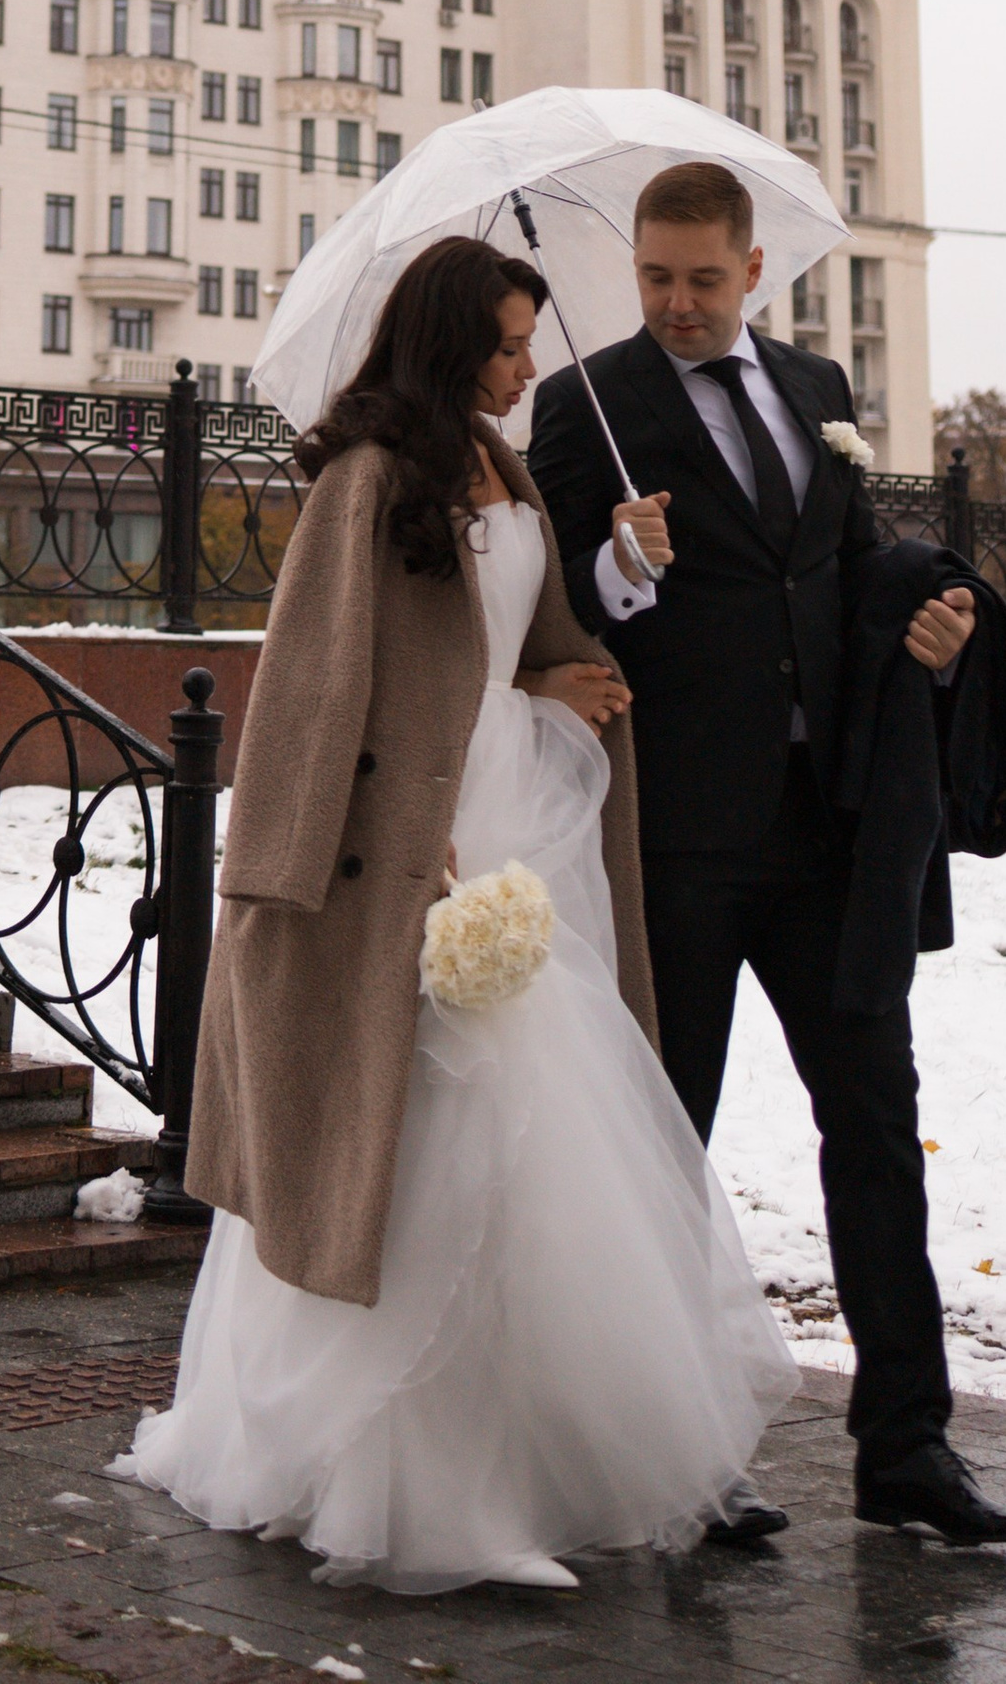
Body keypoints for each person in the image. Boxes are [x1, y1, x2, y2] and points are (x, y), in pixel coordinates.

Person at [117, 234, 798, 1593]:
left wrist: (590, 630)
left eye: (528, 339)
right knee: (416, 1132)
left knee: (537, 1135)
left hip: (524, 831)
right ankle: (419, 1488)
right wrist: (380, 841)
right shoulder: (370, 480)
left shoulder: (508, 464)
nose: (526, 363)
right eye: (502, 342)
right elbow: (315, 692)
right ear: (444, 343)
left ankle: (530, 1467)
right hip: (411, 851)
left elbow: (527, 642)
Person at [526, 158, 1006, 1548]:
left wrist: (929, 626)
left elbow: (850, 567)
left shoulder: (817, 392)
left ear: (755, 271)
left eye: (703, 278)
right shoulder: (587, 406)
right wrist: (623, 567)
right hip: (682, 838)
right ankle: (678, 1457)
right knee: (665, 1147)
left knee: (875, 1129)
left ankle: (909, 1451)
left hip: (831, 836)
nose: (678, 304)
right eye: (654, 278)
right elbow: (552, 603)